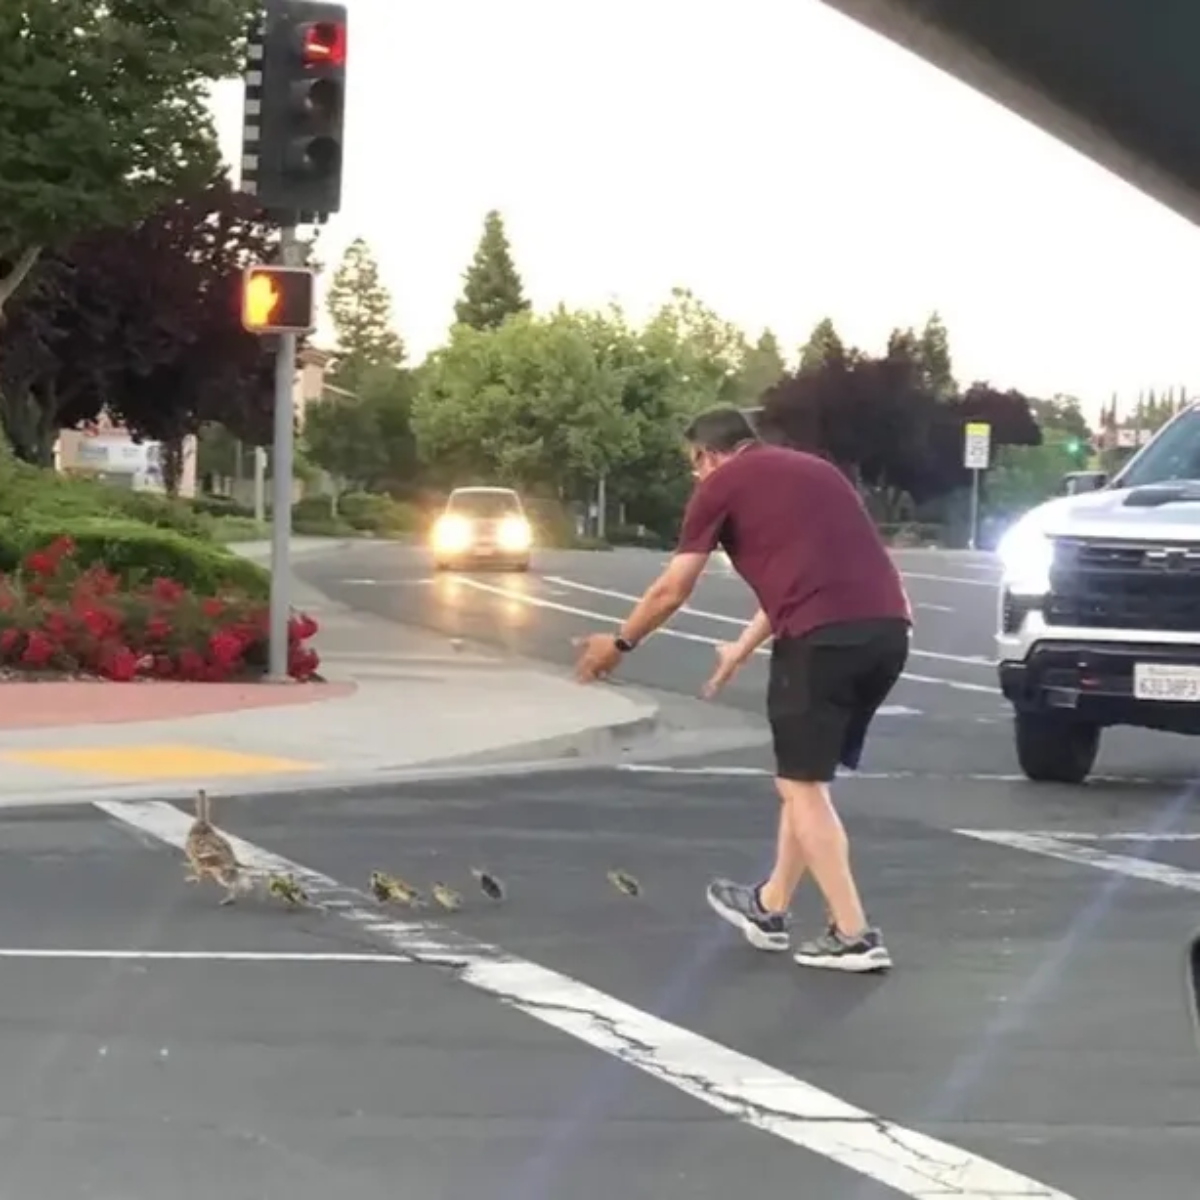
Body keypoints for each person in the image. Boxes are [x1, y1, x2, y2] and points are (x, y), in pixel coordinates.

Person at [573, 406, 911, 972]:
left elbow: (671, 588)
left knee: (801, 787)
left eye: (693, 465)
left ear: (708, 454)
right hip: (887, 633)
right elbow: (810, 574)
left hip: (821, 641)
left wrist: (621, 643)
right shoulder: (816, 472)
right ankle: (770, 904)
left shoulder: (721, 484)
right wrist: (741, 647)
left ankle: (853, 933)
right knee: (804, 780)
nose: (696, 477)